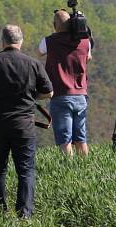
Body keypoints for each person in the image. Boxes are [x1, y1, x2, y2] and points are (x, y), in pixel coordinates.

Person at [0, 25, 53, 218]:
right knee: (25, 170)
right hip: (24, 124)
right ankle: (24, 213)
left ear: (3, 41)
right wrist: (33, 97)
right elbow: (49, 92)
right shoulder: (33, 63)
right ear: (21, 41)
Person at [38, 9, 92, 157]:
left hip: (61, 94)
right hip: (81, 94)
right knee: (81, 139)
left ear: (54, 25)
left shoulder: (49, 41)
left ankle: (69, 170)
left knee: (65, 140)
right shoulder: (85, 42)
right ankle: (85, 168)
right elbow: (88, 57)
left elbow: (39, 51)